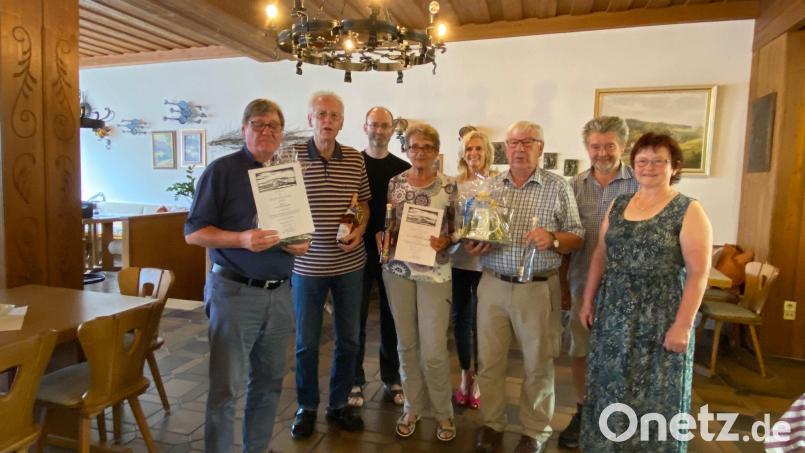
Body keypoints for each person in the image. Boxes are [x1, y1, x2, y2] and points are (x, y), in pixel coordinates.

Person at [185, 99, 310, 453]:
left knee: (269, 383)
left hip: (281, 293)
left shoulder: (285, 175)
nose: (266, 131)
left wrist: (298, 244)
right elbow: (193, 233)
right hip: (235, 293)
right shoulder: (221, 171)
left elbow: (295, 232)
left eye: (273, 125)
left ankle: (255, 448)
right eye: (258, 124)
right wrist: (239, 239)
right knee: (227, 388)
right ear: (244, 130)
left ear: (281, 133)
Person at [579, 132, 712, 452]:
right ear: (633, 165)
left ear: (674, 166)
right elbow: (599, 253)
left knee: (654, 395)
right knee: (610, 385)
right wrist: (587, 300)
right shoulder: (620, 203)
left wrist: (683, 325)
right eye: (642, 161)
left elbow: (698, 273)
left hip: (661, 317)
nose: (648, 167)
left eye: (657, 161)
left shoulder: (688, 209)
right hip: (613, 314)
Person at [466, 120, 584, 453]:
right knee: (489, 361)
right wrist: (472, 246)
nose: (519, 148)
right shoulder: (488, 187)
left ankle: (534, 431)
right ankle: (492, 424)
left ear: (540, 148)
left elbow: (577, 236)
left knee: (538, 363)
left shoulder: (557, 187)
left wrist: (555, 239)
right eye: (513, 142)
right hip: (492, 285)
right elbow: (471, 235)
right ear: (505, 147)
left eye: (527, 142)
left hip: (537, 288)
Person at [289, 91, 371, 439]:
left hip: (350, 265)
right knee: (306, 343)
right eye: (321, 114)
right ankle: (307, 407)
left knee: (349, 340)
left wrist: (361, 229)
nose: (327, 120)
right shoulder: (290, 158)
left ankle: (338, 406)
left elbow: (364, 204)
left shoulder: (354, 159)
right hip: (305, 268)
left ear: (342, 121)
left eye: (334, 115)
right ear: (310, 120)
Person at [557, 116, 638, 449]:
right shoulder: (573, 186)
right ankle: (583, 410)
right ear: (586, 148)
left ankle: (619, 417)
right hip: (579, 284)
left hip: (625, 290)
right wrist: (562, 286)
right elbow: (565, 240)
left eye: (609, 146)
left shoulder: (638, 184)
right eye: (595, 146)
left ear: (623, 147)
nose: (602, 152)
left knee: (622, 354)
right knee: (581, 351)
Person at [382, 123, 459, 442]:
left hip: (435, 275)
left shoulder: (450, 186)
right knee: (406, 344)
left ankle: (443, 413)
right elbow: (391, 224)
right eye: (414, 147)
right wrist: (386, 239)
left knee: (434, 350)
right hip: (398, 273)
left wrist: (446, 240)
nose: (420, 153)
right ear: (407, 150)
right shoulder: (395, 183)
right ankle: (412, 406)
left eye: (427, 147)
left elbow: (459, 230)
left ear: (436, 151)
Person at [350, 106, 410, 408]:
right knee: (355, 318)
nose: (379, 130)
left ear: (392, 129)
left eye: (384, 126)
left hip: (393, 254)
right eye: (374, 125)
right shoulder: (353, 164)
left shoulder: (403, 168)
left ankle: (391, 376)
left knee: (391, 317)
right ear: (365, 127)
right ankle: (355, 379)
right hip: (357, 253)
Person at [451, 129, 497, 410]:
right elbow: (447, 223)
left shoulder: (497, 183)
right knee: (460, 319)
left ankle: (478, 377)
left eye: (479, 149)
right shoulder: (453, 185)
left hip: (487, 264)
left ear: (487, 152)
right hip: (458, 262)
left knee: (483, 322)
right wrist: (459, 239)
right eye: (469, 149)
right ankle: (465, 373)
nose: (474, 154)